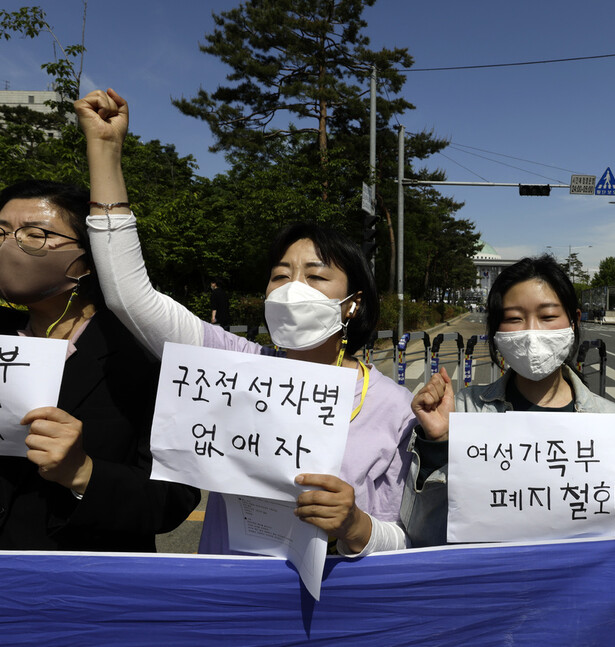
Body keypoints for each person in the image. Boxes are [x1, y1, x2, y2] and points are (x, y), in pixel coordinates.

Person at [76, 88, 415, 556]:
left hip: (338, 612)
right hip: (230, 604)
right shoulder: (233, 365)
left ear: (353, 303)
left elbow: (404, 538)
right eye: (281, 275)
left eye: (316, 276)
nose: (293, 289)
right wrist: (106, 153)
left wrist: (356, 526)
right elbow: (128, 296)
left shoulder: (393, 405)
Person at [403, 255, 615, 547]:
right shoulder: (463, 413)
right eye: (514, 318)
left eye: (547, 316)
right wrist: (438, 444)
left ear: (574, 321)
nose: (532, 332)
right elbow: (418, 535)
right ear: (496, 331)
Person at [0, 179, 200, 551]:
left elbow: (174, 498)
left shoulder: (146, 354)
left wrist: (83, 473)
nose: (10, 245)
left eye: (33, 234)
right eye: (1, 232)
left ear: (89, 259)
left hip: (83, 585)